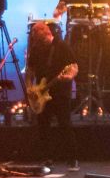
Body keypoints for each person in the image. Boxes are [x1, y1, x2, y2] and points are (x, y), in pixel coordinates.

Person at [25, 21, 79, 170]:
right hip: (41, 92)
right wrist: (29, 88)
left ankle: (72, 159)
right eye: (36, 41)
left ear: (48, 34)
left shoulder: (62, 46)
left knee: (64, 124)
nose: (38, 43)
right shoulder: (36, 49)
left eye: (40, 40)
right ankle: (47, 158)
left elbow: (74, 66)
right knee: (43, 126)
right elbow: (30, 71)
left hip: (60, 92)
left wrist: (68, 76)